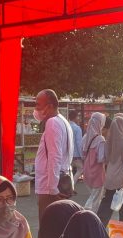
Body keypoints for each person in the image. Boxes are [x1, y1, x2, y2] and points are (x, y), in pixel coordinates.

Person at [33, 89, 74, 223]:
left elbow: (55, 156)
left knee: (48, 229)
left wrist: (52, 188)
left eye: (38, 104)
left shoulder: (52, 123)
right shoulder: (62, 121)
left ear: (49, 106)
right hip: (59, 182)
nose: (36, 108)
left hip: (50, 188)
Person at [96, 116, 123, 224]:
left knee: (106, 207)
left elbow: (107, 159)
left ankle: (98, 229)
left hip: (110, 178)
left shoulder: (109, 140)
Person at [82, 112, 107, 211]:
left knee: (93, 196)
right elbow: (101, 158)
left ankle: (86, 213)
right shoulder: (100, 139)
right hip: (97, 173)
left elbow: (82, 154)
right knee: (95, 200)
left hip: (87, 171)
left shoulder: (85, 137)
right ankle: (89, 216)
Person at [68, 110, 84, 184]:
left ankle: (67, 185)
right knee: (81, 169)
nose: (78, 118)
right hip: (76, 154)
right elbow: (79, 143)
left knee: (68, 170)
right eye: (77, 116)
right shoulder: (77, 128)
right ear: (75, 117)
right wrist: (82, 155)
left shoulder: (66, 127)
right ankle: (72, 184)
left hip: (67, 153)